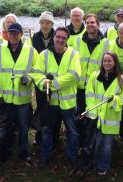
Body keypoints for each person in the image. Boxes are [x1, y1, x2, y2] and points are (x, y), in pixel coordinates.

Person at [31, 27, 81, 169]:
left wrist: (52, 84)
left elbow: (74, 75)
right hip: (50, 102)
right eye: (58, 37)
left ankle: (72, 156)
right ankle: (45, 156)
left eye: (64, 38)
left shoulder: (73, 54)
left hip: (68, 103)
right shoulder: (44, 55)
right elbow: (36, 74)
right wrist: (43, 82)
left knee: (72, 131)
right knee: (47, 129)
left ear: (67, 40)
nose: (60, 40)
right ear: (53, 37)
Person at [0, 23, 38, 162]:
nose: (13, 35)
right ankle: (6, 150)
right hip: (5, 98)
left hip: (22, 99)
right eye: (10, 33)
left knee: (23, 127)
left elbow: (37, 70)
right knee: (6, 126)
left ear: (21, 35)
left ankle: (23, 152)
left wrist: (28, 78)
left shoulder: (31, 51)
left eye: (16, 33)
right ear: (6, 34)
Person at [85, 51, 123, 175]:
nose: (106, 63)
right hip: (97, 117)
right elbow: (89, 94)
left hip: (111, 119)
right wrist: (92, 112)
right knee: (97, 143)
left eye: (109, 61)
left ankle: (103, 166)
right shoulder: (95, 76)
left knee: (107, 145)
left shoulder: (121, 80)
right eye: (104, 61)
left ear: (115, 63)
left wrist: (115, 100)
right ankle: (93, 163)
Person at [73, 13, 108, 146]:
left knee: (93, 115)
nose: (89, 25)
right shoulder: (77, 41)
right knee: (80, 114)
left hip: (95, 87)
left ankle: (92, 143)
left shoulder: (105, 43)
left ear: (98, 25)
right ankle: (80, 142)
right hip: (79, 86)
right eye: (87, 23)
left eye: (92, 22)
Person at [30, 11, 55, 145]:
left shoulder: (57, 36)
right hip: (40, 78)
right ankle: (39, 134)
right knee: (41, 105)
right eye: (43, 23)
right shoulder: (35, 37)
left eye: (48, 23)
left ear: (51, 24)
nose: (45, 25)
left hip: (53, 78)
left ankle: (52, 134)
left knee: (52, 106)